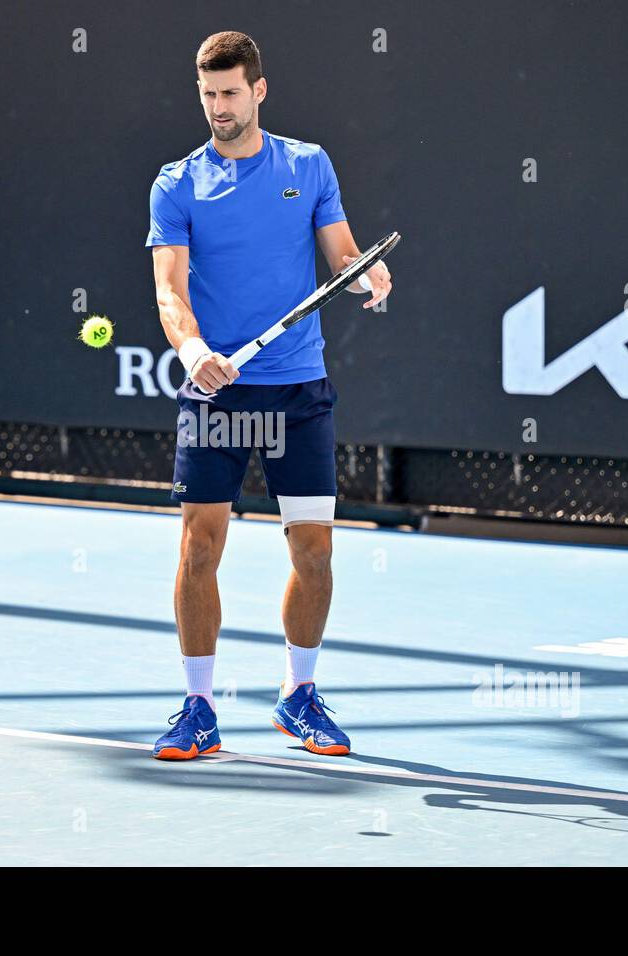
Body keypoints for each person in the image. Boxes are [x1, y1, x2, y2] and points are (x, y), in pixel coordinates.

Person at [145, 31, 392, 760]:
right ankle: (197, 707)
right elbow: (170, 291)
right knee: (200, 550)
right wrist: (195, 352)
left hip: (298, 393)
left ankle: (299, 695)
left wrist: (367, 276)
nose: (219, 108)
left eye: (230, 93)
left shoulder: (307, 166)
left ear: (258, 89)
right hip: (218, 398)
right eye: (208, 96)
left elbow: (342, 254)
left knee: (314, 553)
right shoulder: (176, 184)